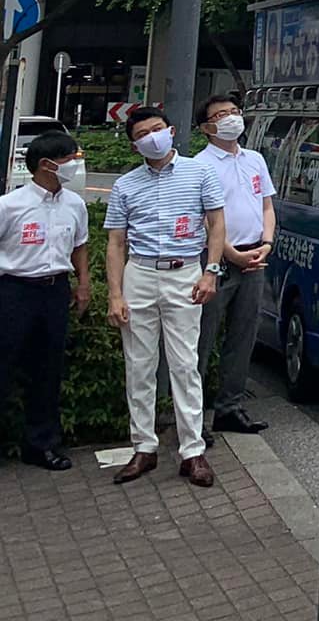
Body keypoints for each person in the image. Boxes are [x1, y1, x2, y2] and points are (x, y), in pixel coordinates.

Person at [104, 108, 225, 487]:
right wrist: (115, 294)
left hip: (186, 272)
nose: (152, 137)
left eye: (157, 129)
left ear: (171, 131)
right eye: (142, 134)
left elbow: (217, 224)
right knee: (139, 365)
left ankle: (193, 451)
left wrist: (211, 271)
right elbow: (116, 242)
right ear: (133, 144)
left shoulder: (200, 172)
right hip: (139, 273)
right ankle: (144, 447)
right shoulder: (125, 185)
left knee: (185, 364)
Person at [0, 130, 92, 470]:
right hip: (14, 291)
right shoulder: (9, 205)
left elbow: (80, 245)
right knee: (3, 366)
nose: (74, 165)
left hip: (54, 291)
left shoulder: (75, 204)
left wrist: (84, 284)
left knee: (47, 370)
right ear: (46, 164)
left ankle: (41, 445)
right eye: (69, 159)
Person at [194, 95, 275, 436]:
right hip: (216, 261)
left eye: (234, 112)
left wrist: (266, 244)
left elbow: (266, 206)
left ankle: (230, 408)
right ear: (206, 127)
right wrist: (229, 254)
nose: (231, 118)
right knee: (202, 338)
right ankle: (192, 418)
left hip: (255, 257)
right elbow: (204, 219)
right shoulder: (200, 166)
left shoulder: (254, 159)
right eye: (221, 115)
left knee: (244, 335)